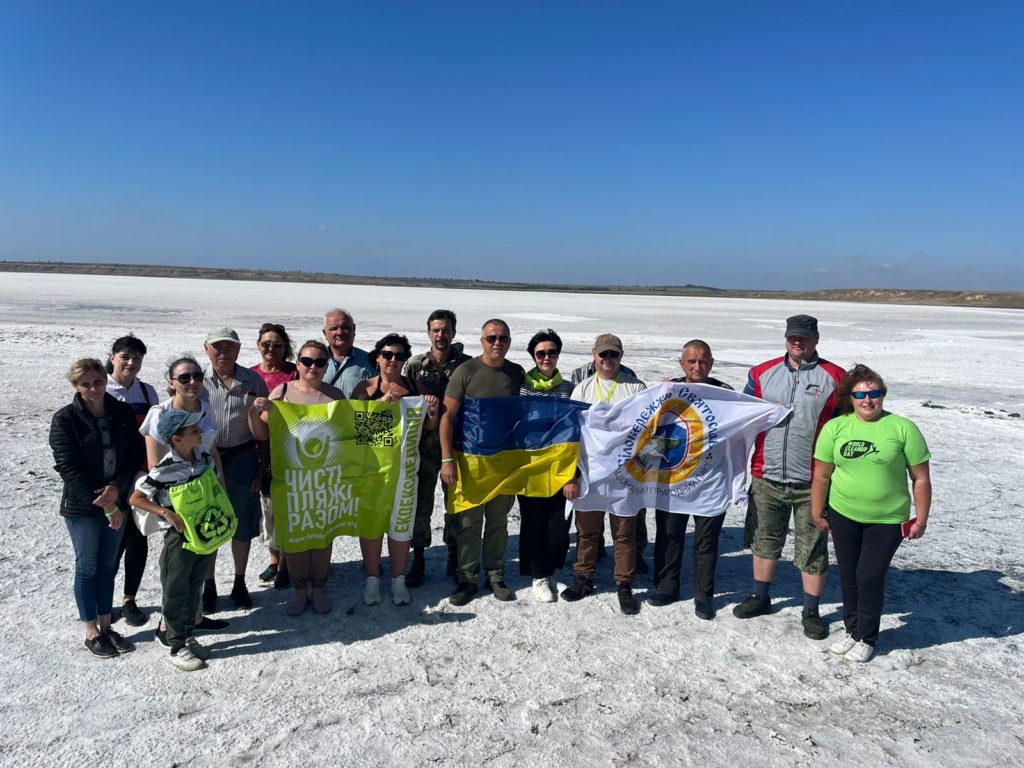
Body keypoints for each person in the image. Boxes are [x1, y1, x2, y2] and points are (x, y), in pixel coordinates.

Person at [734, 314, 845, 640]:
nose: (799, 343)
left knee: (812, 546)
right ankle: (760, 596)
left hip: (813, 481)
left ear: (816, 339)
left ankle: (811, 611)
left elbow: (848, 425)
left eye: (805, 338)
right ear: (786, 338)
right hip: (766, 474)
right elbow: (740, 412)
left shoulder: (835, 377)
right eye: (793, 337)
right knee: (764, 540)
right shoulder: (761, 373)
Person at [811, 364, 931, 662]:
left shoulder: (903, 428)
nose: (868, 400)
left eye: (874, 393)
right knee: (849, 576)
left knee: (869, 575)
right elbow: (822, 476)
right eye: (860, 394)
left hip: (887, 519)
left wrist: (921, 518)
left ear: (883, 395)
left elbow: (921, 478)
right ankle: (852, 632)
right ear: (849, 398)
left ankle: (867, 636)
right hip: (844, 513)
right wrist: (818, 511)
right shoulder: (836, 428)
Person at [49, 358, 144, 658]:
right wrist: (107, 504)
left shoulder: (121, 412)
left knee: (106, 567)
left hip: (117, 499)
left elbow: (133, 454)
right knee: (87, 567)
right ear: (76, 386)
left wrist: (117, 487)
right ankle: (91, 631)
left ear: (105, 380)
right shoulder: (65, 419)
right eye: (85, 384)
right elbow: (68, 467)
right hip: (83, 507)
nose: (93, 388)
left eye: (98, 382)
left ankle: (106, 625)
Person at [250, 340, 345, 616]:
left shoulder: (335, 396)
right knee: (296, 537)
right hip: (291, 481)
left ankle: (319, 589)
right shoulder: (282, 392)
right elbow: (262, 433)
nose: (312, 367)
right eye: (306, 361)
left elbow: (349, 435)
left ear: (327, 366)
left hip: (325, 480)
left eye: (319, 362)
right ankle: (299, 590)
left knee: (322, 536)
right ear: (298, 363)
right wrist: (255, 411)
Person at [139, 356, 230, 638]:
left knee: (200, 558)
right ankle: (168, 627)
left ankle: (195, 617)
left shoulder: (205, 408)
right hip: (178, 506)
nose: (192, 382)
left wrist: (221, 494)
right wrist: (168, 511)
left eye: (197, 376)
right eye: (184, 378)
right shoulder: (160, 413)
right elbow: (157, 467)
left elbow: (212, 451)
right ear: (171, 383)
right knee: (177, 569)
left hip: (204, 499)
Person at [440, 319, 526, 605]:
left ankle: (495, 574)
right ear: (482, 341)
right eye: (491, 338)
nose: (496, 343)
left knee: (498, 521)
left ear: (509, 341)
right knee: (469, 522)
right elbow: (446, 417)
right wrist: (447, 459)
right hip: (469, 461)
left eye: (502, 338)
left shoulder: (516, 373)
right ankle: (467, 578)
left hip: (503, 461)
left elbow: (522, 418)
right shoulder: (466, 371)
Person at [130, 409, 222, 671]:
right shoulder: (163, 469)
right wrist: (166, 513)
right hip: (178, 538)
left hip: (202, 534)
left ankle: (187, 634)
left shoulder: (204, 458)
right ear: (176, 439)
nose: (200, 432)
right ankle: (175, 644)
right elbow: (136, 498)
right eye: (193, 431)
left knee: (195, 587)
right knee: (175, 589)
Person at [562, 334, 647, 615]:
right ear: (594, 356)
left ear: (621, 357)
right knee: (587, 532)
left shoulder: (636, 388)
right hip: (590, 473)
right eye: (603, 355)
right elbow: (571, 436)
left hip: (624, 476)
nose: (608, 360)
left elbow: (648, 430)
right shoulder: (583, 389)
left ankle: (624, 584)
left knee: (624, 534)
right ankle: (584, 577)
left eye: (614, 355)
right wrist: (571, 475)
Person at [351, 334, 439, 606]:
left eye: (399, 356)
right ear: (377, 357)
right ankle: (372, 579)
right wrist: (379, 406)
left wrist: (433, 410)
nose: (393, 360)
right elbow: (355, 431)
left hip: (406, 471)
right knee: (372, 525)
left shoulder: (415, 386)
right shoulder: (364, 389)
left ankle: (398, 579)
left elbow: (429, 427)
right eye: (387, 354)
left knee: (401, 525)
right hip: (372, 471)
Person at [649, 340, 733, 619]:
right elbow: (654, 429)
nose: (698, 367)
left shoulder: (725, 394)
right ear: (682, 363)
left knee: (706, 541)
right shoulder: (669, 390)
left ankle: (703, 595)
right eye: (692, 362)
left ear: (712, 362)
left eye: (704, 361)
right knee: (669, 534)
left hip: (711, 480)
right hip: (674, 478)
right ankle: (666, 586)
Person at [401, 309, 472, 587]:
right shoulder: (415, 365)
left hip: (458, 447)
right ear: (428, 332)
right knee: (421, 504)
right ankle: (418, 557)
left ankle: (454, 556)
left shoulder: (468, 365)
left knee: (456, 504)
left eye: (445, 330)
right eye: (435, 330)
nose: (440, 335)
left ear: (453, 332)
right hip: (421, 449)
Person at [201, 327, 269, 611]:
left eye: (229, 347)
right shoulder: (196, 381)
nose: (223, 352)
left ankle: (239, 582)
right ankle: (209, 584)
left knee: (241, 524)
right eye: (217, 347)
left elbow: (264, 430)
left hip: (243, 457)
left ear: (239, 350)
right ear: (207, 349)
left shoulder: (252, 381)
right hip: (206, 459)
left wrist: (261, 468)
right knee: (209, 522)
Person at [518, 329, 576, 603]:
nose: (546, 357)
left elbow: (576, 426)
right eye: (541, 353)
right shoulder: (522, 386)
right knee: (535, 522)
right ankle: (538, 575)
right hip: (531, 465)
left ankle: (551, 569)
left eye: (552, 352)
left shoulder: (568, 388)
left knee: (559, 525)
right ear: (533, 356)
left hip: (561, 464)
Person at [105, 334, 159, 627]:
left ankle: (129, 599)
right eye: (125, 356)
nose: (130, 363)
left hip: (140, 476)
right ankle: (104, 601)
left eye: (136, 358)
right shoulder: (100, 388)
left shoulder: (148, 392)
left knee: (138, 536)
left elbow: (155, 433)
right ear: (112, 357)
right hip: (110, 478)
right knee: (111, 540)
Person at [250, 322, 298, 590]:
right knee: (266, 507)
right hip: (256, 449)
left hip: (286, 449)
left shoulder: (293, 373)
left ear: (285, 348)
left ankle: (285, 565)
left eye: (277, 345)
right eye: (266, 344)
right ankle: (273, 558)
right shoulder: (250, 375)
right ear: (258, 345)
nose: (271, 349)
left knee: (285, 507)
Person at [322, 308, 376, 398]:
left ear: (354, 329)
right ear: (325, 333)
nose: (339, 332)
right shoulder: (313, 362)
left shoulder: (370, 361)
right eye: (333, 328)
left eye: (345, 327)